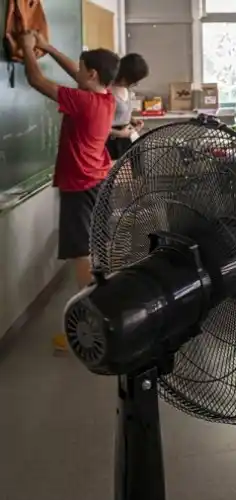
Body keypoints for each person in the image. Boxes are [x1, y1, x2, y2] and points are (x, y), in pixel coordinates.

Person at [18, 31, 119, 350]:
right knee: (90, 250)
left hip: (81, 184)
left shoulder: (82, 101)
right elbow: (78, 75)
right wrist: (47, 47)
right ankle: (100, 315)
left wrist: (26, 49)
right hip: (97, 180)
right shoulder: (105, 98)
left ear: (91, 73)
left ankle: (90, 327)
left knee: (80, 255)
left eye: (81, 67)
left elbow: (36, 80)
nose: (77, 70)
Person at [106, 53, 149, 160]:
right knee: (115, 174)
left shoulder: (126, 90)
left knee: (133, 174)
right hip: (112, 142)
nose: (136, 84)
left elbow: (119, 114)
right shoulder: (106, 91)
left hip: (127, 139)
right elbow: (97, 125)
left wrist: (132, 120)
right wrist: (120, 133)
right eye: (134, 80)